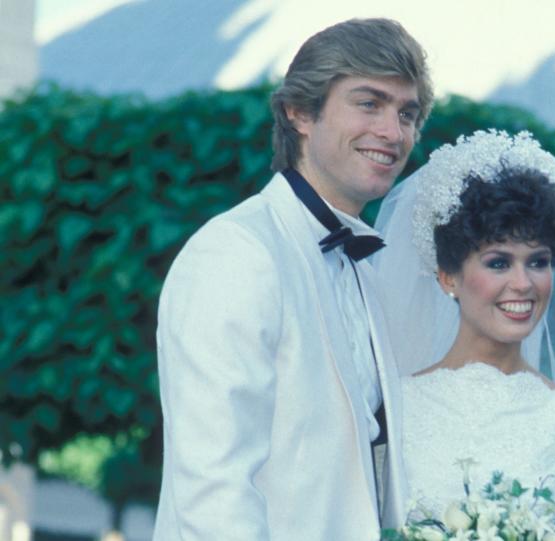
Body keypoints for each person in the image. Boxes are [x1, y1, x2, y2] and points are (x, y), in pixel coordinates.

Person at [152, 18, 433, 540]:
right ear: (299, 112)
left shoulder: (364, 270)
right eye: (369, 103)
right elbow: (213, 491)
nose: (394, 133)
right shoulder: (237, 252)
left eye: (407, 113)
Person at [374, 130, 555, 540]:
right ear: (448, 277)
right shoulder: (393, 410)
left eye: (538, 261)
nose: (523, 283)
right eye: (498, 263)